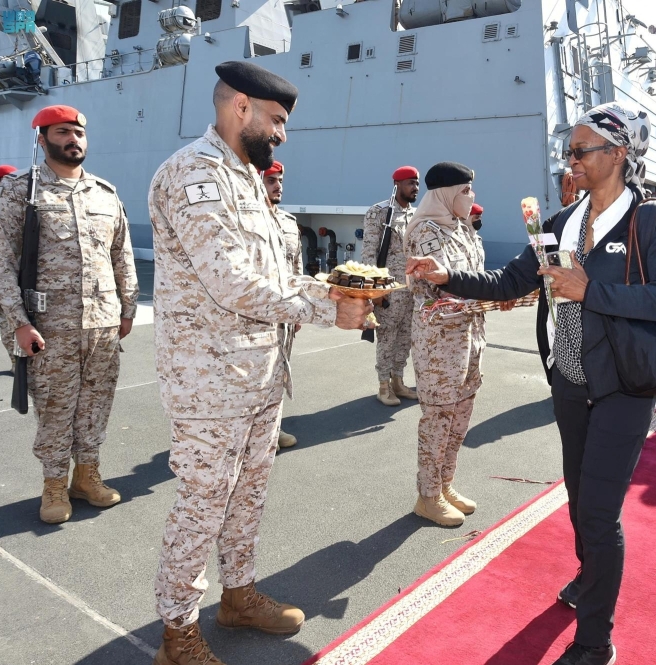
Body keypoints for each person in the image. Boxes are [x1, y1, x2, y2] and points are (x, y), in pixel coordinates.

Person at [407, 102, 656, 665]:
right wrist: (449, 277)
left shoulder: (651, 222)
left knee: (599, 514)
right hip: (570, 383)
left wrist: (592, 290)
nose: (571, 161)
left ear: (618, 153)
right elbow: (510, 280)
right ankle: (590, 576)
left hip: (624, 387)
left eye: (581, 151)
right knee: (579, 498)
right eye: (569, 151)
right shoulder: (562, 222)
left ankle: (595, 642)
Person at [147, 61, 371, 665]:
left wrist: (342, 291)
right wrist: (327, 311)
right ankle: (177, 632)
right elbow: (231, 282)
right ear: (240, 106)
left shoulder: (247, 178)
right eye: (276, 120)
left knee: (248, 494)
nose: (282, 134)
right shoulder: (194, 174)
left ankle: (238, 596)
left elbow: (276, 275)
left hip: (261, 373)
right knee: (202, 503)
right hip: (208, 380)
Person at [0, 105, 138, 525]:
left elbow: (121, 254)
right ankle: (54, 484)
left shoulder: (105, 194)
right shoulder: (18, 191)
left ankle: (86, 476)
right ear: (42, 140)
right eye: (62, 132)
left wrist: (127, 307)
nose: (73, 139)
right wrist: (19, 322)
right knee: (55, 407)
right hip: (47, 327)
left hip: (102, 324)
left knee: (96, 402)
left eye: (78, 132)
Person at [402, 162, 483, 529]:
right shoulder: (427, 232)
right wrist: (491, 293)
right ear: (447, 193)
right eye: (465, 190)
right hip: (440, 343)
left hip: (470, 336)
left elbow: (478, 276)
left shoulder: (463, 229)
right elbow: (447, 284)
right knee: (438, 418)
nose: (471, 196)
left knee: (460, 416)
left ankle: (445, 484)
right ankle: (428, 495)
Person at [360, 165, 420, 406]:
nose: (415, 187)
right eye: (411, 183)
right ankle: (383, 386)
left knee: (406, 337)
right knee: (387, 337)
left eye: (417, 183)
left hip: (412, 290)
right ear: (397, 185)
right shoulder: (379, 213)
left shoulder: (416, 215)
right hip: (389, 290)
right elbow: (369, 252)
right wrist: (374, 289)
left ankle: (398, 381)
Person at [261, 160, 300, 449]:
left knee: (280, 369)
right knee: (259, 372)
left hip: (286, 311)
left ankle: (273, 427)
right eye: (271, 180)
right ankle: (258, 432)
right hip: (259, 311)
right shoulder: (248, 219)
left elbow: (296, 266)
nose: (278, 186)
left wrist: (299, 306)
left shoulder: (288, 221)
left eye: (281, 181)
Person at [0, 164, 19, 365]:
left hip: (20, 273)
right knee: (9, 320)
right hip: (3, 276)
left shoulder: (26, 204)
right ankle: (17, 365)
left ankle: (21, 366)